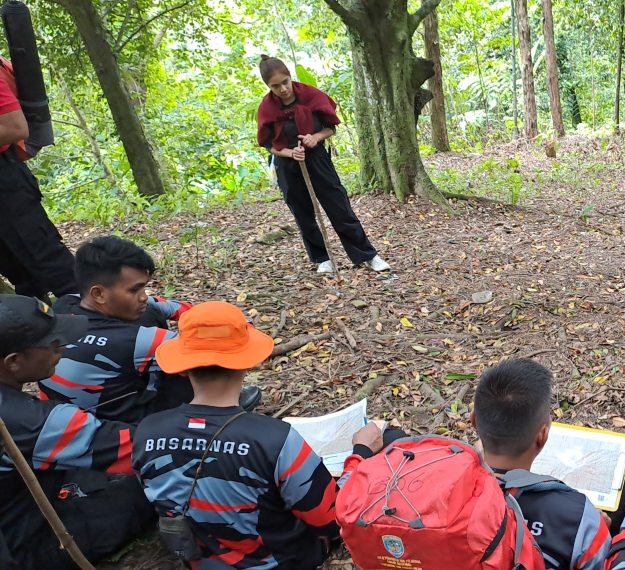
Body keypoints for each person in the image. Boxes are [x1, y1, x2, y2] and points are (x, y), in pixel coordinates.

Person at [132, 301, 395, 569]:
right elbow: (333, 519)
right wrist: (360, 453)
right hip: (279, 560)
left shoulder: (146, 431)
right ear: (246, 362)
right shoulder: (275, 439)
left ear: (183, 366)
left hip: (199, 560)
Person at [0, 294, 152, 568]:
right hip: (17, 546)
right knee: (137, 493)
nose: (63, 347)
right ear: (13, 361)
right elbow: (148, 448)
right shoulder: (35, 422)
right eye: (52, 343)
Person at [40, 236, 262, 424]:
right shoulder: (136, 341)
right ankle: (214, 412)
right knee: (195, 365)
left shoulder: (65, 304)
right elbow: (212, 346)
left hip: (67, 412)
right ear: (99, 294)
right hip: (117, 428)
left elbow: (159, 303)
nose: (143, 295)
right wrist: (241, 325)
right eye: (135, 289)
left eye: (144, 286)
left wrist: (188, 312)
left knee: (148, 312)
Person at [472, 358, 625, 569]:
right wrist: (598, 530)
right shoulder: (578, 516)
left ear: (473, 420)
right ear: (543, 436)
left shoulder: (438, 489)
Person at [256, 55, 390, 274]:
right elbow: (268, 144)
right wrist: (290, 152)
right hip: (288, 166)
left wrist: (315, 137)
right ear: (268, 86)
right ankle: (322, 258)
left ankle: (367, 255)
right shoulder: (267, 108)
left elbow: (330, 127)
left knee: (339, 206)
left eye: (285, 82)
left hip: (317, 158)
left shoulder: (310, 95)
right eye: (275, 86)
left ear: (290, 77)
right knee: (303, 213)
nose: (282, 89)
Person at [0, 57, 77, 301]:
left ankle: (107, 329)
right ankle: (40, 331)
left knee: (51, 264)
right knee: (20, 274)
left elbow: (15, 128)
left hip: (5, 183)